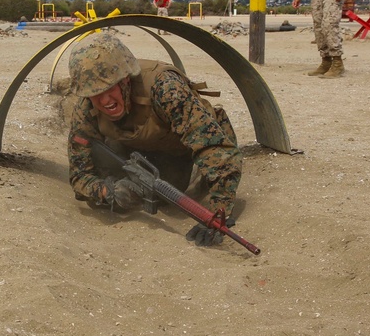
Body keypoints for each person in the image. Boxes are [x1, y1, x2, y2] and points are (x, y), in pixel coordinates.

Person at [66, 32, 242, 246]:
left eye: (110, 87)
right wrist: (107, 192)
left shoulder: (165, 89)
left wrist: (217, 213)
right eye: (94, 93)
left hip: (185, 151)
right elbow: (79, 175)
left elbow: (217, 153)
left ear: (125, 80)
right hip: (138, 153)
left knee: (179, 189)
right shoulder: (86, 110)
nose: (104, 100)